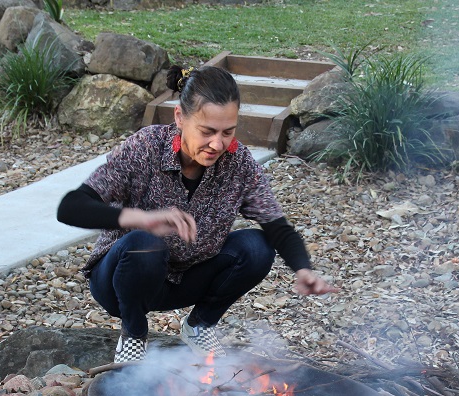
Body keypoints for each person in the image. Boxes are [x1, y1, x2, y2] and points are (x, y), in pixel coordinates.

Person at [57, 65, 336, 363]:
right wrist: (140, 219)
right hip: (121, 280)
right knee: (144, 242)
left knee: (258, 247)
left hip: (185, 281)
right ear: (180, 117)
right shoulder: (146, 147)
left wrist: (303, 269)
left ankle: (200, 325)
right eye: (207, 131)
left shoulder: (239, 163)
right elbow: (71, 207)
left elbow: (276, 225)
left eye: (228, 132)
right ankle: (134, 334)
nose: (218, 144)